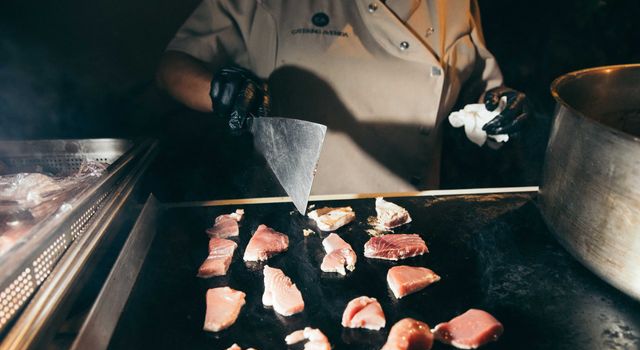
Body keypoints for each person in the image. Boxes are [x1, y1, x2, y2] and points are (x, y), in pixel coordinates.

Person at [157, 0, 527, 194]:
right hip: (289, 211)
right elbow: (173, 67)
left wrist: (500, 105)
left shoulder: (453, 3)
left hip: (413, 214)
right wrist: (223, 92)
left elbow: (479, 89)